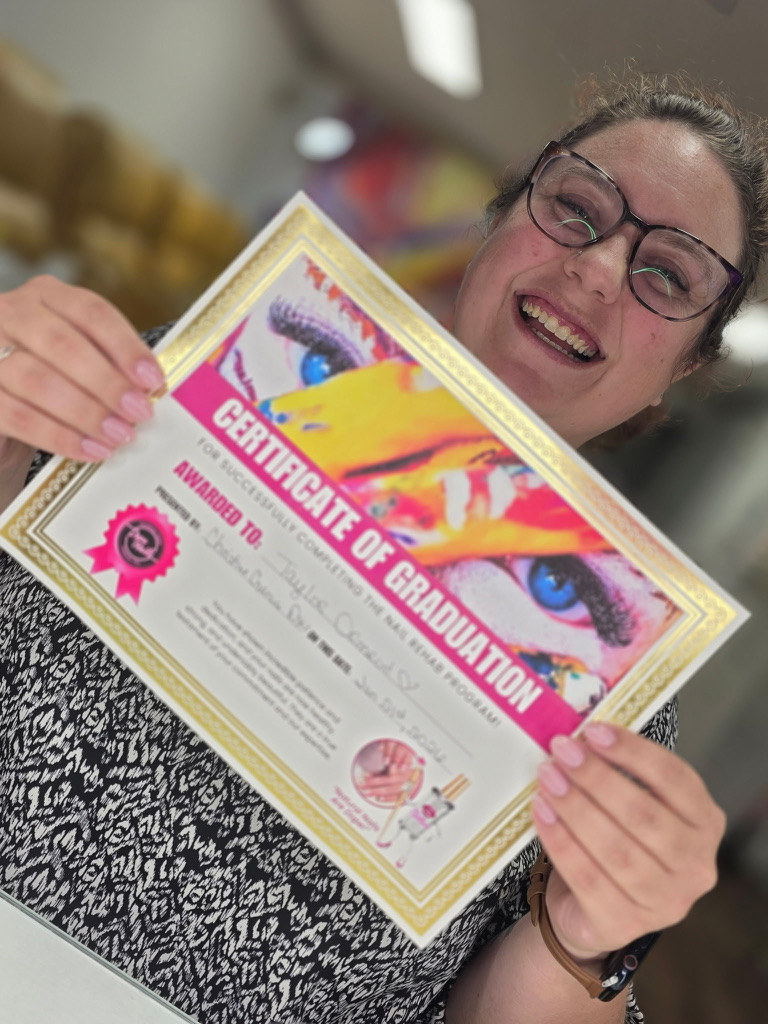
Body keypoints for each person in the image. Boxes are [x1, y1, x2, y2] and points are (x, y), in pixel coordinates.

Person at [1, 72, 766, 1023]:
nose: (602, 269)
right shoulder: (216, 377)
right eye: (578, 208)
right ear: (502, 217)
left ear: (682, 368)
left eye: (669, 277)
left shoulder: (620, 693)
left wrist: (584, 942)